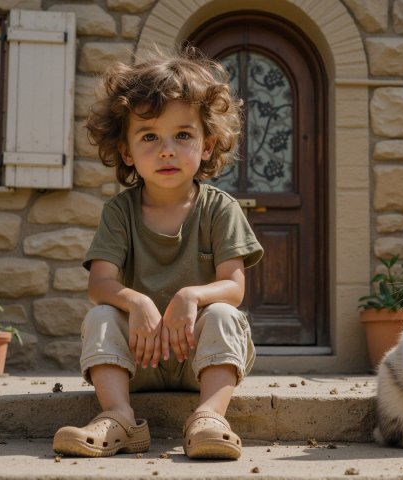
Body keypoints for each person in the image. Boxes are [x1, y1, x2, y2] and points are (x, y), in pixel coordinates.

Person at [53, 46, 263, 460]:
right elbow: (100, 283)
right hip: (139, 356)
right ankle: (119, 417)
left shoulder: (221, 208)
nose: (166, 149)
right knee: (100, 315)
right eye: (150, 136)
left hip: (199, 357)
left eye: (182, 135)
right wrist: (136, 301)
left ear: (207, 145)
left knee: (224, 313)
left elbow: (234, 287)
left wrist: (192, 296)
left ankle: (208, 417)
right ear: (128, 151)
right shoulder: (120, 211)